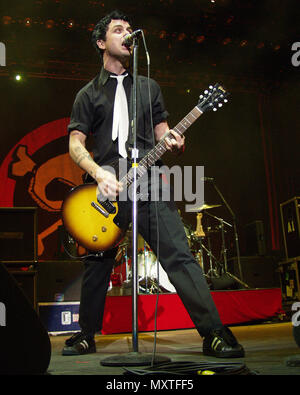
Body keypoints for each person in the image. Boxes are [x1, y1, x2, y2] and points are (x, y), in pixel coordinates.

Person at [63, 10, 244, 358]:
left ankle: (215, 333)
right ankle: (85, 334)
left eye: (130, 30)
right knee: (97, 263)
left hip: (149, 183)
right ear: (102, 43)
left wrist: (176, 142)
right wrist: (98, 172)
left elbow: (166, 136)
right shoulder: (87, 94)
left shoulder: (149, 87)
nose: (128, 35)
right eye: (119, 30)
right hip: (105, 188)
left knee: (178, 254)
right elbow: (75, 143)